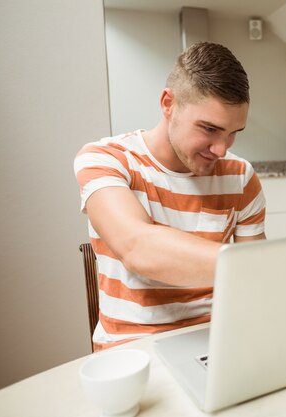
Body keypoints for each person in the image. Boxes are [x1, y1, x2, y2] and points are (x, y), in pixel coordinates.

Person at [74, 42, 267, 350]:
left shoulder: (241, 177)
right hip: (131, 350)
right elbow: (138, 247)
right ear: (168, 103)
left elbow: (253, 287)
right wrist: (263, 265)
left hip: (218, 343)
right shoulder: (105, 160)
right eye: (209, 129)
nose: (222, 148)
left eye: (233, 132)